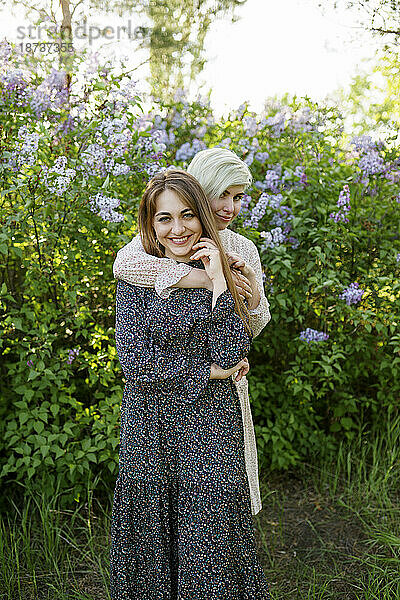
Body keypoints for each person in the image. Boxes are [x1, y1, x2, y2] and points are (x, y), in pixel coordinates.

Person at [110, 169, 271, 599]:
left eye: (187, 216)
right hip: (152, 424)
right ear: (152, 225)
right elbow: (136, 365)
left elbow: (232, 352)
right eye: (165, 219)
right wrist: (208, 372)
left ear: (200, 217)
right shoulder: (140, 274)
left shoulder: (222, 268)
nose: (178, 228)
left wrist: (220, 281)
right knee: (152, 530)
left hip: (211, 423)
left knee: (212, 533)